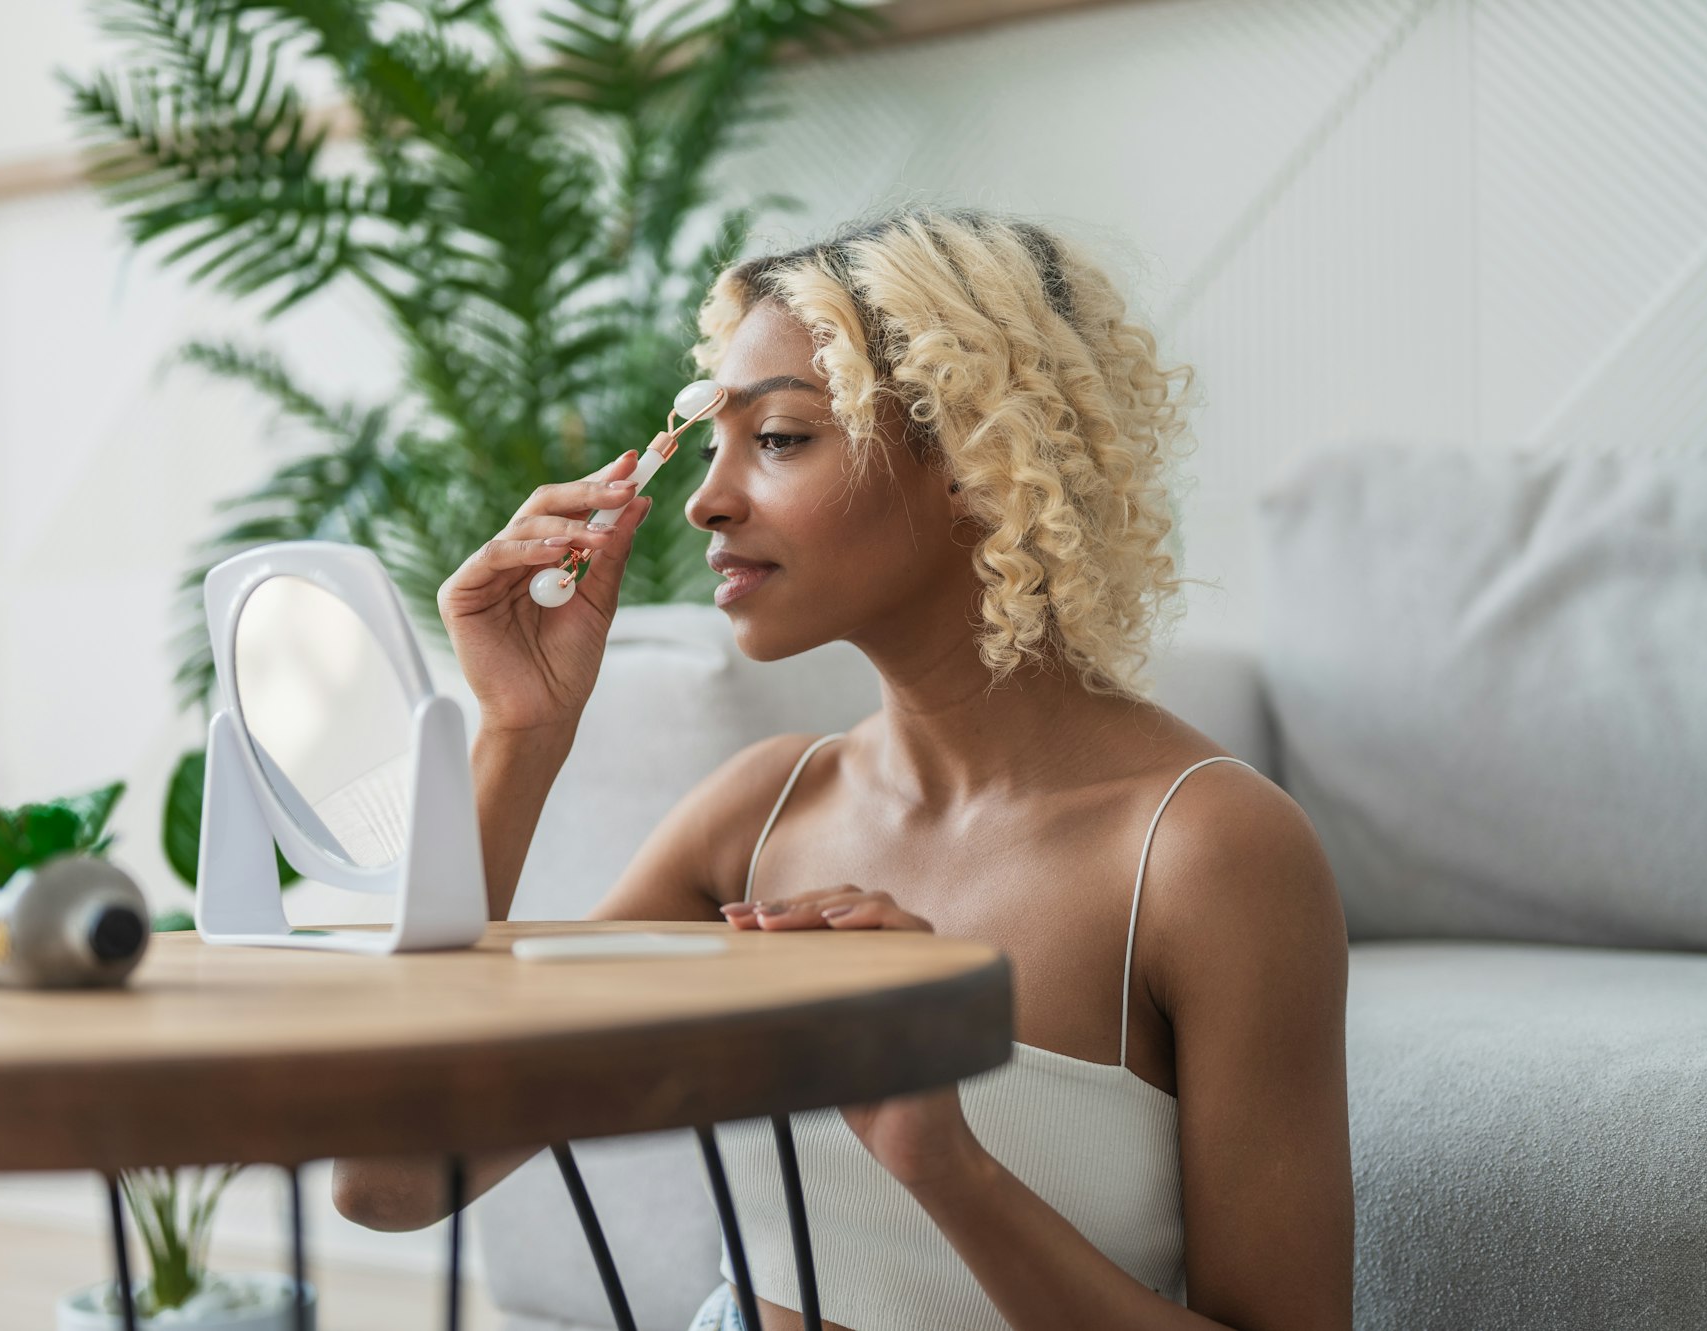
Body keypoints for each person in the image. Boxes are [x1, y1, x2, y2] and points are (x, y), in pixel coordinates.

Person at [332, 207, 1354, 1331]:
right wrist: (516, 736)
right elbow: (388, 1179)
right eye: (713, 443)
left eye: (777, 438)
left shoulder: (1205, 853)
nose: (706, 500)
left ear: (975, 456)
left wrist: (942, 1161)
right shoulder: (757, 816)